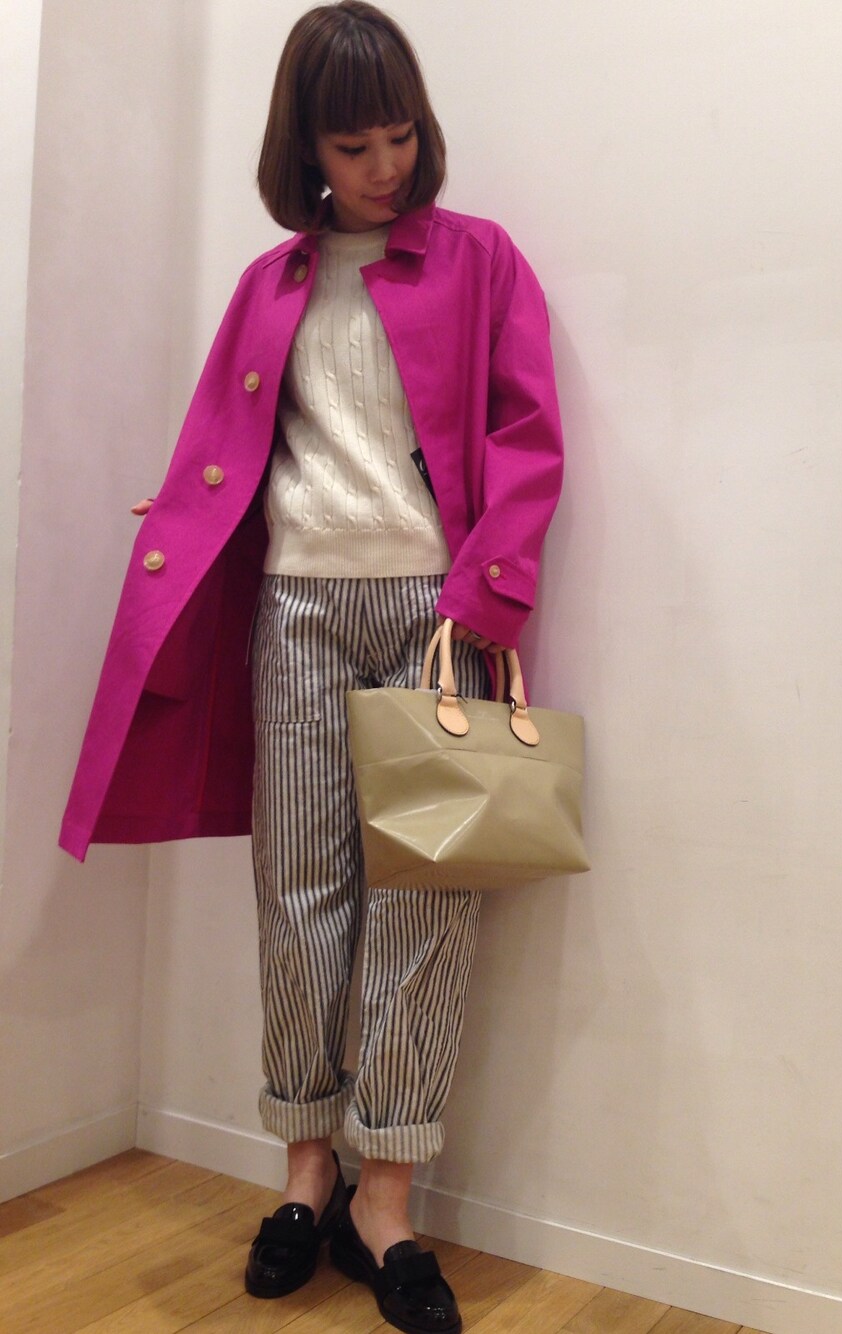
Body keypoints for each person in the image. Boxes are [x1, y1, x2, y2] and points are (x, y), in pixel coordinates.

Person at [59, 4, 563, 1331]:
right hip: (295, 610)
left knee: (424, 901)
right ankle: (303, 1175)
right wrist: (186, 519)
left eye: (400, 135)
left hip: (438, 619)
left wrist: (488, 598)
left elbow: (526, 437)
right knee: (297, 890)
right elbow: (226, 453)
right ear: (305, 150)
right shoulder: (269, 285)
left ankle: (385, 1196)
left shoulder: (480, 260)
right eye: (353, 146)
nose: (385, 166)